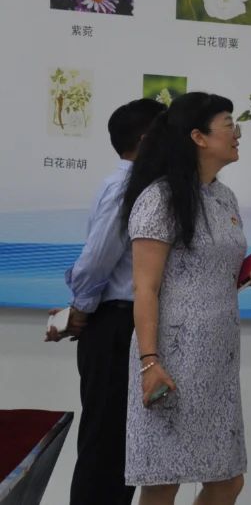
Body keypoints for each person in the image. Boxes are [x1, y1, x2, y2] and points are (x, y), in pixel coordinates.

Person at [119, 92, 251, 505]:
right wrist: (150, 362)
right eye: (228, 124)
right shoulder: (159, 199)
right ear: (198, 137)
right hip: (171, 361)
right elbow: (145, 289)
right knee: (162, 482)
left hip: (218, 364)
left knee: (227, 481)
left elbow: (214, 275)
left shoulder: (224, 197)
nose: (237, 133)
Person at [46, 98, 165, 505]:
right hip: (116, 325)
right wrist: (80, 309)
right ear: (147, 140)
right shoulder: (128, 188)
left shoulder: (143, 186)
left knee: (121, 447)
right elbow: (98, 258)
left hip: (121, 323)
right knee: (106, 448)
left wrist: (80, 309)